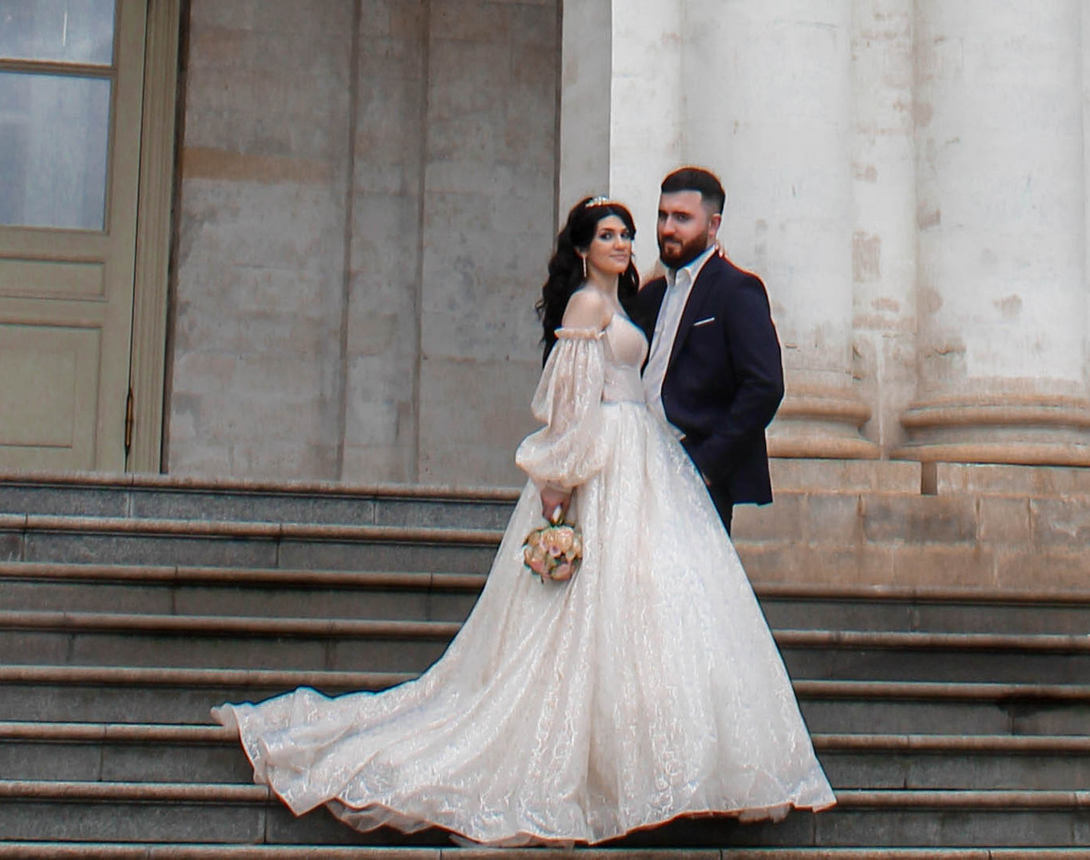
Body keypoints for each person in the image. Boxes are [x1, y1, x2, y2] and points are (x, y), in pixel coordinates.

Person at [220, 193, 833, 845]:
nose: (627, 241)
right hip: (604, 465)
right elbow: (568, 408)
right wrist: (557, 502)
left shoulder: (639, 299)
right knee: (583, 621)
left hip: (648, 467)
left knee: (658, 608)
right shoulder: (587, 306)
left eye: (629, 232)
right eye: (609, 234)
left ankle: (668, 767)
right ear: (581, 248)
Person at [632, 163, 785, 528]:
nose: (668, 228)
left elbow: (764, 386)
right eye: (662, 216)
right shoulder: (650, 295)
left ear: (713, 225)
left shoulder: (736, 290)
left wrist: (707, 466)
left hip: (697, 469)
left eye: (682, 218)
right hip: (638, 466)